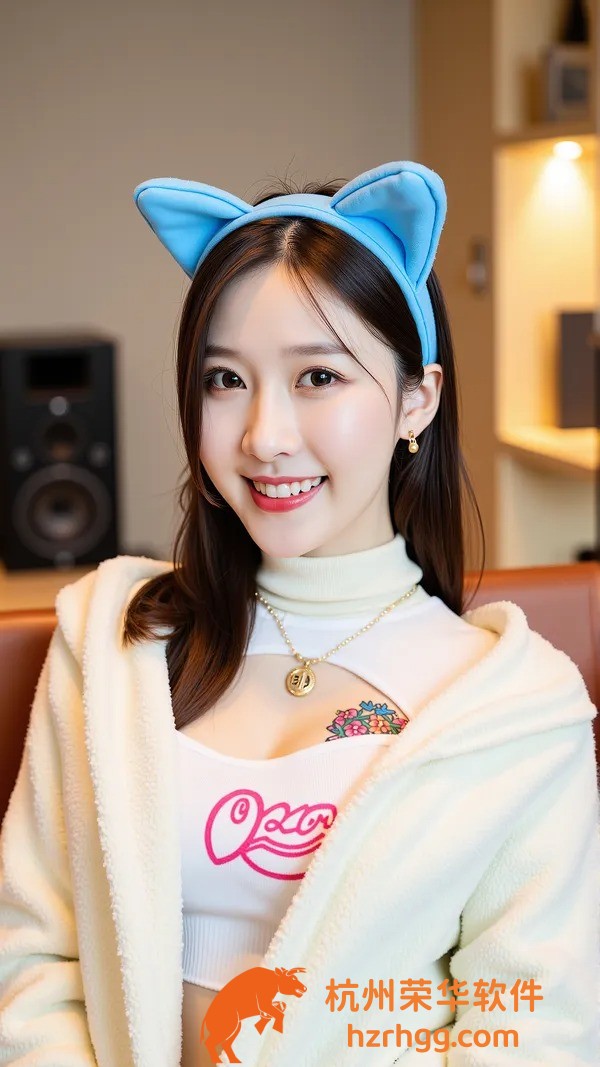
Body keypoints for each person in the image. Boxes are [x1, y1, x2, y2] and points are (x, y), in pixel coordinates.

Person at [0, 161, 598, 1067]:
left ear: (418, 399)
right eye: (224, 379)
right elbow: (32, 957)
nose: (264, 436)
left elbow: (533, 1033)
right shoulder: (112, 645)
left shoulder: (516, 712)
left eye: (318, 375)